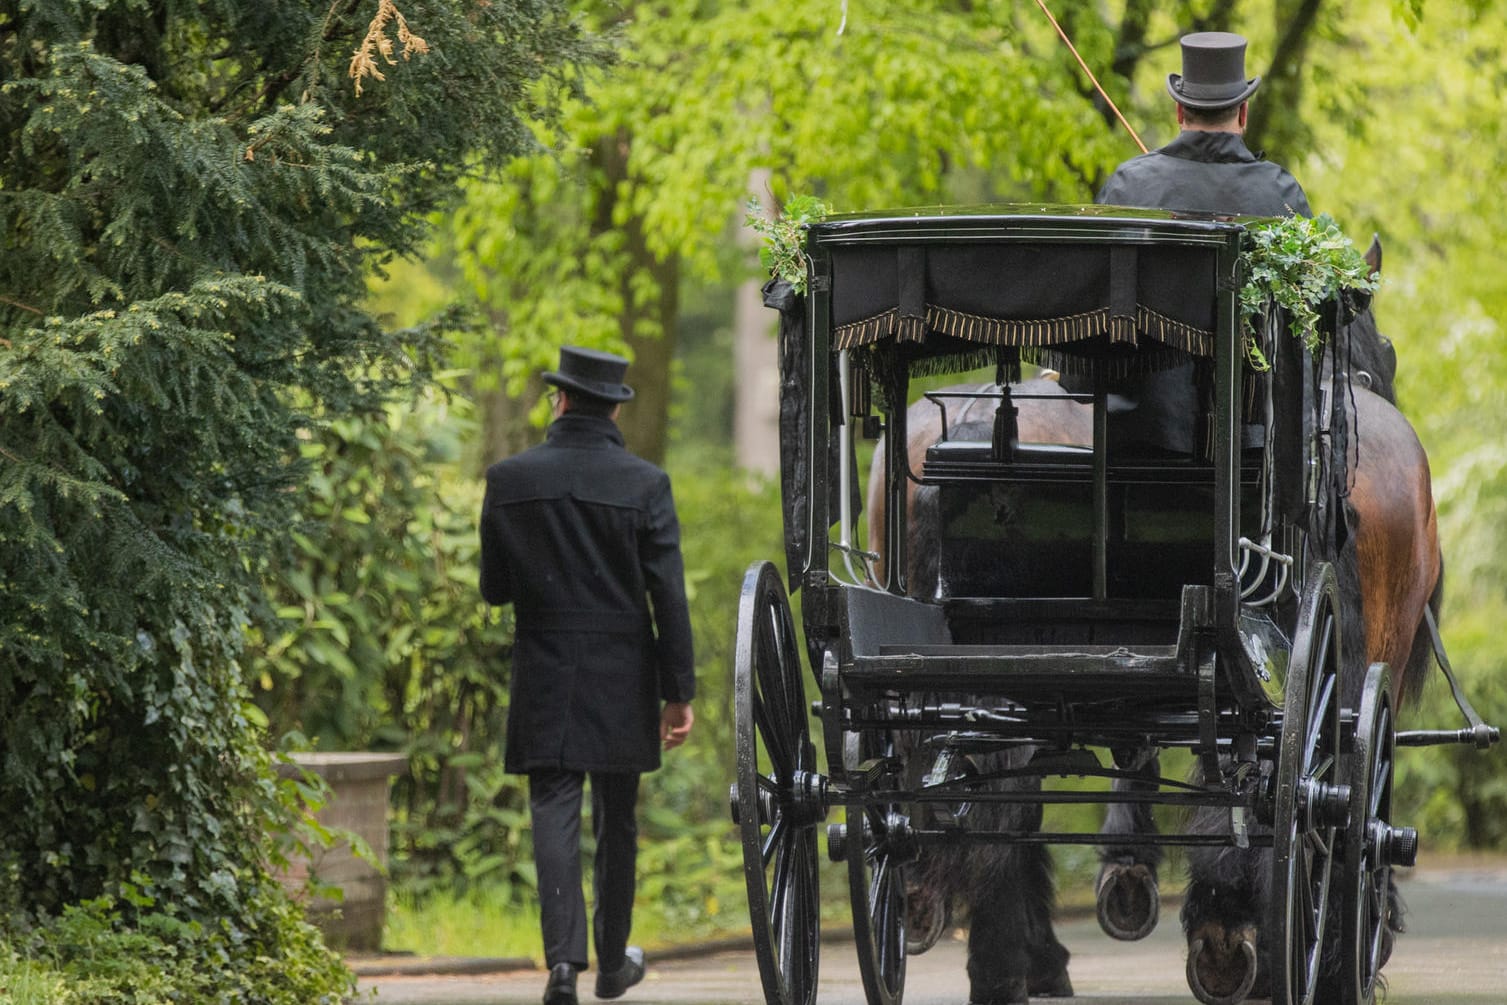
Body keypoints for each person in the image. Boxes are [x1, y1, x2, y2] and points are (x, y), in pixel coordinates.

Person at [478, 345, 696, 1005]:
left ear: (562, 399)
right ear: (612, 407)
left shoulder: (508, 479)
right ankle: (609, 965)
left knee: (552, 805)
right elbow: (668, 596)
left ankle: (562, 966)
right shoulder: (644, 484)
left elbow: (493, 590)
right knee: (617, 815)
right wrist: (676, 691)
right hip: (621, 669)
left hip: (544, 663)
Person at [1090, 30, 1313, 455]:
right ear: (1243, 113)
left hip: (1136, 447)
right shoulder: (1282, 195)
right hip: (1253, 450)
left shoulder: (1128, 187)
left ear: (1178, 110)